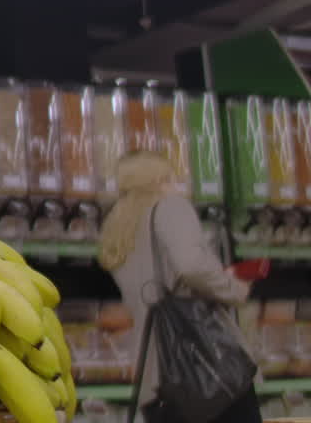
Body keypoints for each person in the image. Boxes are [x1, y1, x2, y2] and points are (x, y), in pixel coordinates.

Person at [98, 151, 259, 423]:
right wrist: (233, 287)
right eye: (172, 177)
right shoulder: (170, 207)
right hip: (204, 363)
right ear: (159, 180)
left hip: (155, 372)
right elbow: (190, 265)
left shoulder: (118, 228)